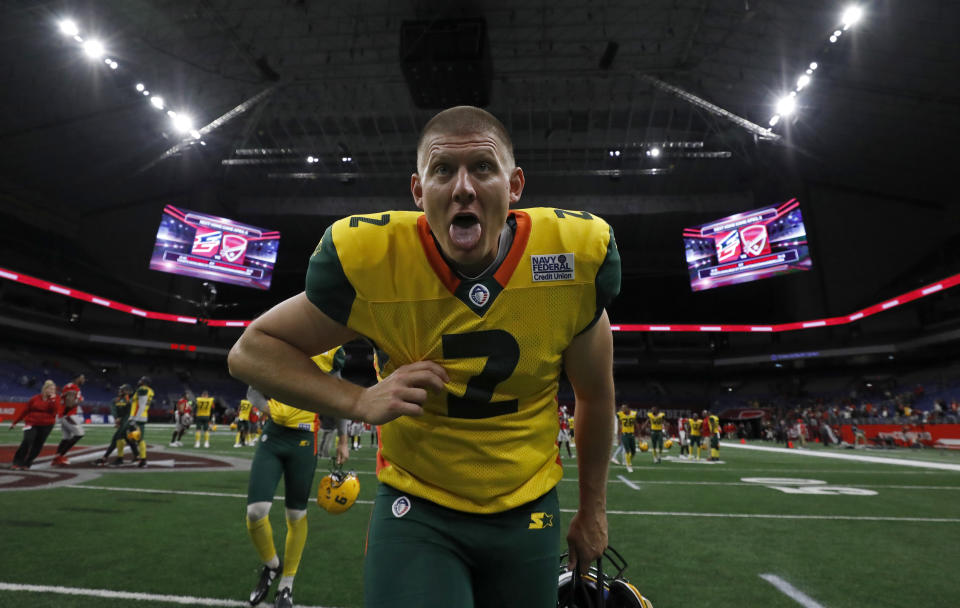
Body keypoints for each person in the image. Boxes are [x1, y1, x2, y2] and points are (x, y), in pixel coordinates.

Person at [227, 105, 620, 607]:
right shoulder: (376, 262)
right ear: (418, 192)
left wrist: (594, 510)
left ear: (514, 184)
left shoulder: (572, 261)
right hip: (418, 508)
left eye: (482, 167)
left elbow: (595, 394)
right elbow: (249, 352)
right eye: (442, 170)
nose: (463, 187)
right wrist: (358, 401)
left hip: (528, 505)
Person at [244, 347, 348, 608]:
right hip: (274, 435)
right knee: (256, 511)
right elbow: (252, 390)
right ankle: (272, 565)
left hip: (304, 439)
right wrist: (270, 409)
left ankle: (286, 585)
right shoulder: (281, 338)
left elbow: (339, 395)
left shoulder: (332, 350)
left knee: (296, 514)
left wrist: (343, 439)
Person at [9, 380, 60, 470]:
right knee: (27, 440)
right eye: (51, 389)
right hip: (31, 423)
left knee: (38, 444)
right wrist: (15, 422)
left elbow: (54, 411)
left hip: (46, 425)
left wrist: (52, 399)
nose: (53, 391)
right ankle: (17, 462)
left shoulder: (56, 399)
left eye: (54, 389)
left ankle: (27, 463)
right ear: (45, 389)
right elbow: (25, 410)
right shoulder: (35, 398)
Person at [52, 373, 86, 466]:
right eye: (82, 378)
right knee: (79, 434)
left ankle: (57, 458)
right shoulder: (73, 387)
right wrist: (79, 400)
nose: (84, 380)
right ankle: (60, 456)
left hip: (65, 414)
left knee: (66, 438)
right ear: (77, 378)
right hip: (68, 414)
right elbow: (69, 404)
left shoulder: (69, 386)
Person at [97, 384, 134, 466]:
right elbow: (114, 409)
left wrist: (121, 421)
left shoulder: (130, 400)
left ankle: (106, 458)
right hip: (124, 423)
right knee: (128, 440)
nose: (120, 391)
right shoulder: (117, 400)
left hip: (129, 423)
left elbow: (128, 413)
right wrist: (117, 419)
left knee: (116, 439)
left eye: (122, 390)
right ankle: (137, 456)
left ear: (127, 391)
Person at [129, 376, 154, 467]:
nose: (139, 381)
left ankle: (143, 460)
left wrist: (135, 419)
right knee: (131, 438)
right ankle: (138, 456)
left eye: (141, 380)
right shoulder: (150, 390)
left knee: (139, 439)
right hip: (141, 416)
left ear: (144, 382)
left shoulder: (143, 389)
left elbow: (142, 406)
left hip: (138, 418)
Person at [616, 404, 638, 472]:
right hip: (624, 435)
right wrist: (618, 438)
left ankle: (628, 461)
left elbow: (635, 423)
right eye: (622, 408)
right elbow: (619, 426)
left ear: (628, 408)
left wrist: (639, 434)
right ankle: (629, 465)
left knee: (633, 452)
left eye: (624, 408)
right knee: (627, 450)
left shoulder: (633, 414)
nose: (622, 410)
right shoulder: (620, 414)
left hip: (631, 435)